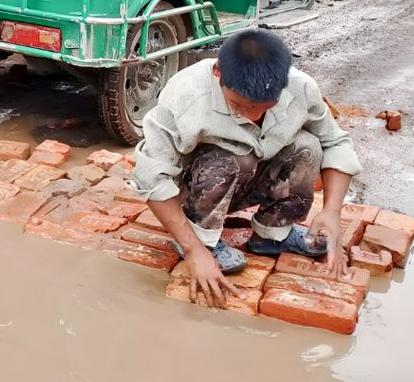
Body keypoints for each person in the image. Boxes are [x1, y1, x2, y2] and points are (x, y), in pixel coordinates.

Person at [129, 29, 361, 307]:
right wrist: (193, 250)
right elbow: (150, 175)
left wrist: (332, 211)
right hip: (200, 188)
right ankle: (204, 240)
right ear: (218, 73)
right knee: (228, 157)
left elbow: (336, 142)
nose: (253, 115)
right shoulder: (185, 95)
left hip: (250, 181)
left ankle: (272, 235)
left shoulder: (301, 88)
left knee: (308, 144)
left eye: (265, 107)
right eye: (240, 105)